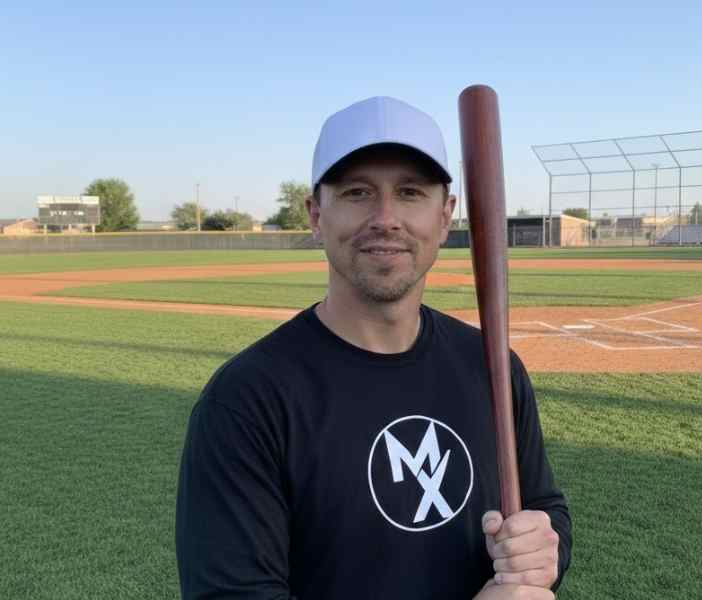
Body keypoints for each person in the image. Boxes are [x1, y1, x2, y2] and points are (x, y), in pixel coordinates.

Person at [176, 96, 572, 599]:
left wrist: (545, 548)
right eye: (358, 192)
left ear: (445, 214)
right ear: (316, 213)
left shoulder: (490, 367)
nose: (385, 217)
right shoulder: (249, 399)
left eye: (410, 192)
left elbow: (545, 506)